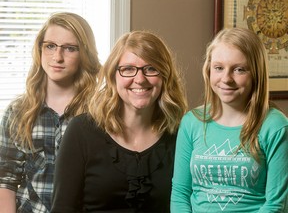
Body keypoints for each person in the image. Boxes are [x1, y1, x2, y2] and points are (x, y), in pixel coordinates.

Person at [51, 30, 188, 212]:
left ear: (165, 77)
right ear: (113, 76)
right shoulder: (81, 131)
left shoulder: (182, 133)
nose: (139, 79)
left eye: (151, 69)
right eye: (128, 69)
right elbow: (62, 208)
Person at [171, 27, 288, 212]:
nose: (226, 78)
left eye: (239, 70)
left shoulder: (275, 126)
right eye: (218, 68)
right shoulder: (191, 122)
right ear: (208, 70)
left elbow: (275, 205)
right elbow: (180, 194)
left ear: (256, 73)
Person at [0, 12, 101, 212]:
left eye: (70, 49)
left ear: (84, 54)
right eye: (50, 46)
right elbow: (5, 182)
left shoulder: (99, 112)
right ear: (40, 49)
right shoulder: (18, 112)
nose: (57, 57)